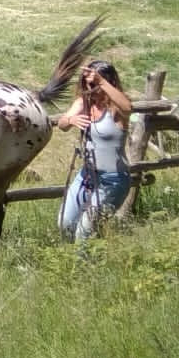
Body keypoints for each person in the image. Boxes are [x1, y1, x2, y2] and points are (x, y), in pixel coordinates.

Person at [57, 59, 133, 240]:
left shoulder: (115, 109)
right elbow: (62, 124)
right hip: (87, 176)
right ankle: (72, 255)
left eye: (94, 84)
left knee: (84, 232)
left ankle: (85, 258)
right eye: (86, 84)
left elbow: (128, 108)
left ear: (108, 82)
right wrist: (70, 120)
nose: (89, 88)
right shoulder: (83, 103)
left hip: (113, 179)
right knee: (65, 223)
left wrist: (101, 82)